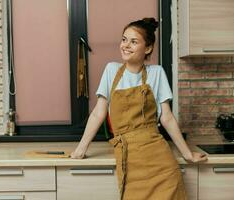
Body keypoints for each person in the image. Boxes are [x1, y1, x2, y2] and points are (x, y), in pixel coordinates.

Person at [71, 17, 208, 200]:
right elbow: (98, 113)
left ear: (148, 48)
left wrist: (187, 154)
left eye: (134, 41)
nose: (126, 45)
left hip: (159, 157)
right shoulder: (111, 70)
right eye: (124, 39)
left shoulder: (157, 73)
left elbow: (166, 118)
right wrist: (81, 149)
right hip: (129, 155)